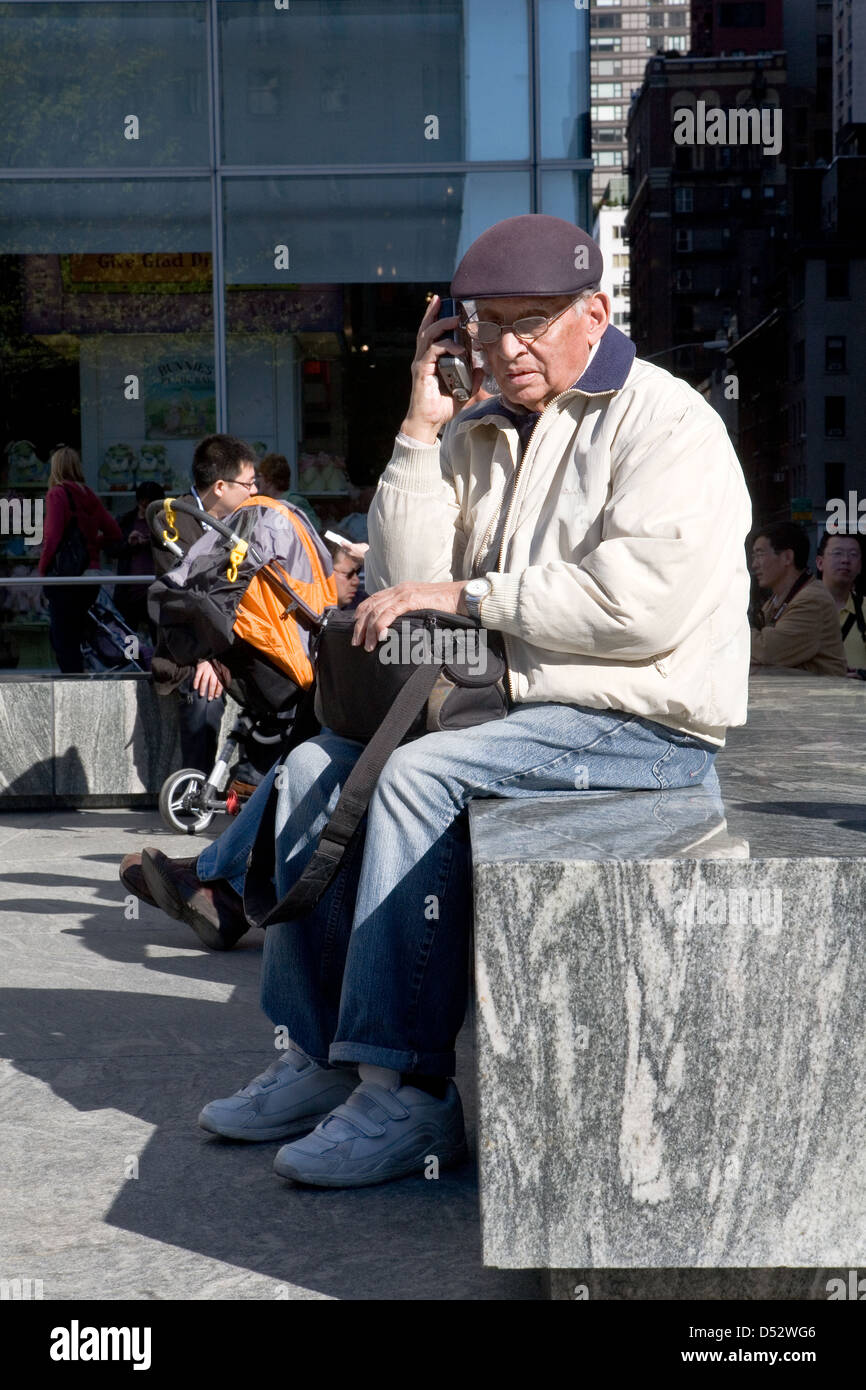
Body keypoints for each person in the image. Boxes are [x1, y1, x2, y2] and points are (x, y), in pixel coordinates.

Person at [126, 213, 753, 1189]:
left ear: (594, 311)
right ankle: (316, 1058)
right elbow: (400, 588)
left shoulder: (665, 423)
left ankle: (407, 1096)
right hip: (508, 715)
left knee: (416, 777)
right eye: (486, 324)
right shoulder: (475, 428)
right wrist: (419, 433)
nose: (507, 346)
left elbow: (639, 606)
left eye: (532, 321)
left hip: (643, 725)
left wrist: (467, 600)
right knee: (305, 769)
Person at [38, 446, 122, 673]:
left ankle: (73, 684)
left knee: (63, 637)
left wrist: (42, 569)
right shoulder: (88, 494)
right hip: (90, 575)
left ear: (55, 468)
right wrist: (92, 545)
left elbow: (52, 537)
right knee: (77, 632)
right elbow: (114, 532)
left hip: (65, 577)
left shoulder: (57, 493)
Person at [749, 522, 847, 676]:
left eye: (760, 555)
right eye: (753, 556)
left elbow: (768, 651)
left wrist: (736, 632)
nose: (754, 565)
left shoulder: (813, 599)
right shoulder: (777, 599)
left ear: (787, 557)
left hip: (819, 698)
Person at [115, 480, 164, 637]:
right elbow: (112, 549)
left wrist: (154, 541)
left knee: (158, 637)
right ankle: (134, 661)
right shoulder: (126, 521)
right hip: (130, 592)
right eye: (143, 506)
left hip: (157, 592)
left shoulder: (165, 523)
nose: (145, 510)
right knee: (130, 638)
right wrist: (129, 543)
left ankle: (156, 661)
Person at [816, 529, 866, 678]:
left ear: (860, 566)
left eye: (853, 554)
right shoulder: (800, 608)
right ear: (820, 563)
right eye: (837, 553)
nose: (845, 560)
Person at [322, 536, 366, 609]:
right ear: (322, 572)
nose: (356, 581)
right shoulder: (298, 614)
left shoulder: (365, 607)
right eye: (347, 573)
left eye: (357, 572)